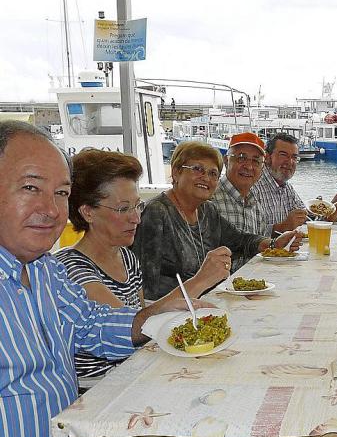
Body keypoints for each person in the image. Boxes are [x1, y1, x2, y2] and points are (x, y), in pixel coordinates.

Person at [0, 121, 194, 437]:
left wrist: (157, 317)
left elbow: (90, 324)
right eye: (31, 187)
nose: (51, 210)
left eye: (61, 193)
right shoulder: (66, 265)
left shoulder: (46, 269)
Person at [55, 149, 225, 382]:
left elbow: (144, 314)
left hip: (136, 369)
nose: (136, 218)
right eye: (123, 208)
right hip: (102, 386)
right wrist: (200, 281)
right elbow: (136, 326)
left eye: (138, 206)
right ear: (88, 212)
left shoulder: (126, 257)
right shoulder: (71, 269)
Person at [132, 141, 301, 301]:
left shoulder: (206, 210)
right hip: (172, 312)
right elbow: (145, 290)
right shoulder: (156, 213)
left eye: (213, 173)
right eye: (198, 169)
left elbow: (240, 240)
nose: (206, 178)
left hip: (207, 303)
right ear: (176, 172)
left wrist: (274, 244)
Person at [211, 132, 269, 267]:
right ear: (226, 161)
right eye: (241, 158)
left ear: (262, 168)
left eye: (256, 161)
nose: (249, 166)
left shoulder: (256, 205)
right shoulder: (210, 200)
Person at [251, 132, 308, 233]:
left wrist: (332, 211)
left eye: (294, 157)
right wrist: (282, 227)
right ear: (267, 157)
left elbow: (306, 216)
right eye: (283, 155)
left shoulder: (287, 188)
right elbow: (248, 233)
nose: (290, 162)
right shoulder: (253, 186)